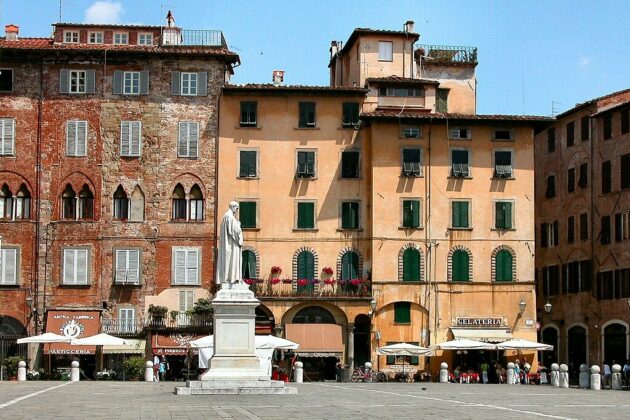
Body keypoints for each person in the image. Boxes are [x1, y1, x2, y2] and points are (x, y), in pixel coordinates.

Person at [216, 202, 243, 286]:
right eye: (237, 208)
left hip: (230, 243)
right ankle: (233, 278)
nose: (237, 210)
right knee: (232, 259)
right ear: (232, 207)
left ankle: (232, 278)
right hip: (232, 244)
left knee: (230, 260)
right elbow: (234, 231)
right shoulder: (229, 217)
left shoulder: (227, 216)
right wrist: (239, 226)